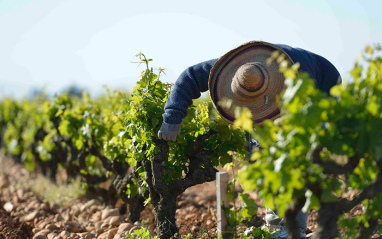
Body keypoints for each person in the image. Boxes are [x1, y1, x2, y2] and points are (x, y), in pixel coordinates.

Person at [157, 41, 341, 238]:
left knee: (293, 160)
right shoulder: (234, 70)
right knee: (259, 152)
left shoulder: (300, 78)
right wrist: (172, 116)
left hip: (323, 88)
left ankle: (293, 228)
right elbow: (190, 76)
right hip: (278, 92)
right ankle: (279, 224)